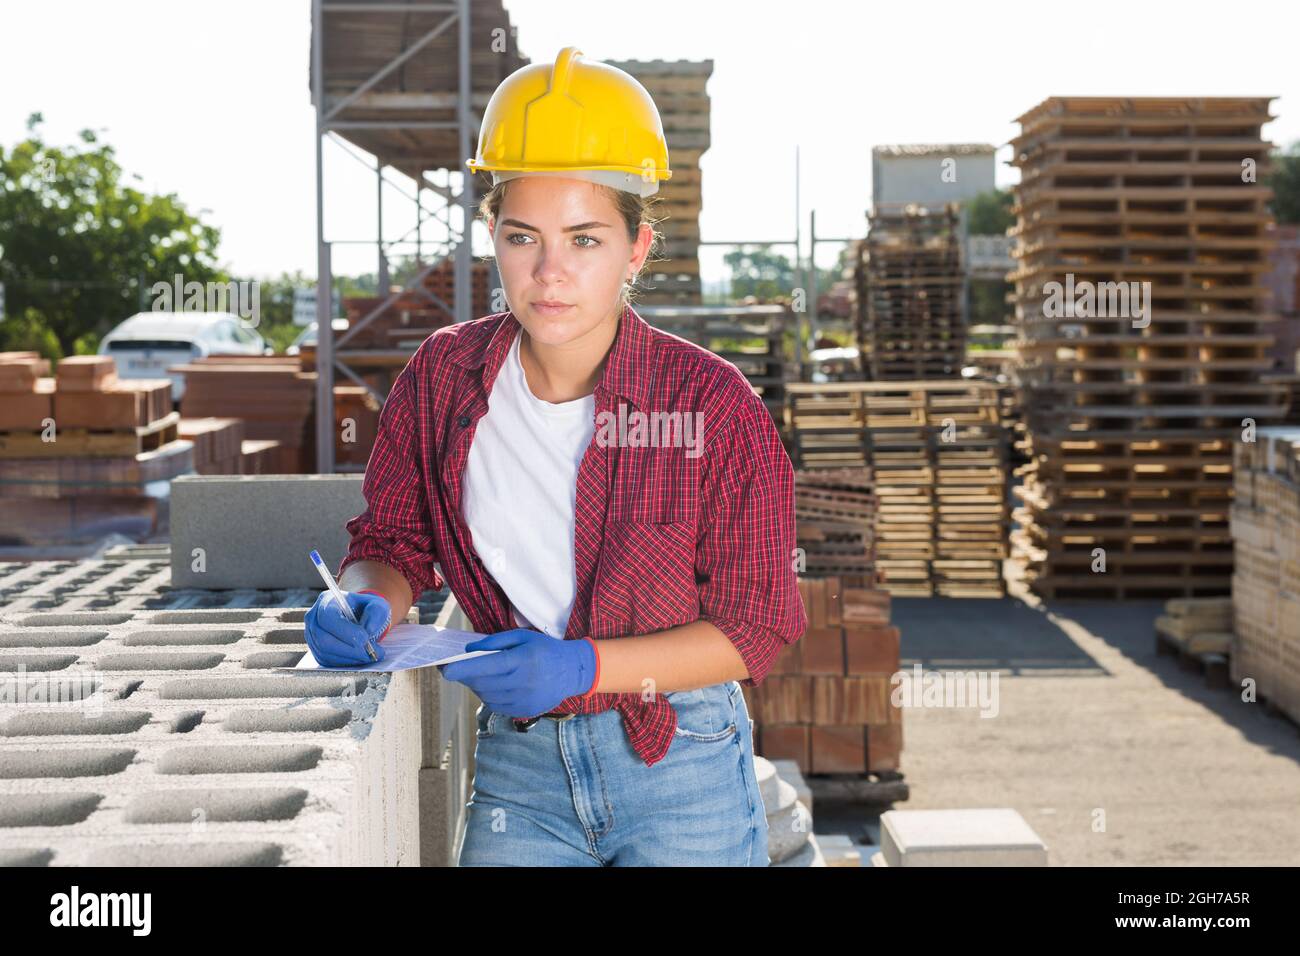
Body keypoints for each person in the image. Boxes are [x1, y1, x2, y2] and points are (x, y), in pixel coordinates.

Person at [303, 46, 807, 866]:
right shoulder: (443, 377)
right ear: (493, 236)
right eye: (522, 236)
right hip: (522, 769)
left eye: (585, 239)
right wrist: (365, 600)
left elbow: (757, 626)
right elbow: (394, 545)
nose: (549, 273)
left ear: (637, 248)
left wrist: (584, 665)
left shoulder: (712, 406)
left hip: (678, 758)